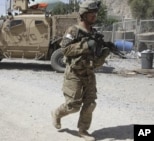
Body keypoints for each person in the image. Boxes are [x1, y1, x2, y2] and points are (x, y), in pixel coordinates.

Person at [51, 0, 111, 141]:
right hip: (74, 74)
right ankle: (57, 113)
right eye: (91, 14)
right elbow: (65, 49)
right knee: (73, 106)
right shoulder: (73, 30)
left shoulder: (94, 33)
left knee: (90, 104)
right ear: (84, 15)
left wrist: (103, 53)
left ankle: (83, 130)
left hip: (89, 73)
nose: (94, 16)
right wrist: (85, 45)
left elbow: (95, 59)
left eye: (95, 14)